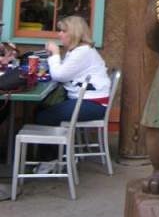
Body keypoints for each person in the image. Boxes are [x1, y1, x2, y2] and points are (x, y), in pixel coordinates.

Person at [34, 15, 110, 172]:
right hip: (86, 100)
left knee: (44, 116)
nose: (59, 34)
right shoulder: (78, 51)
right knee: (41, 109)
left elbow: (59, 75)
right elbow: (64, 73)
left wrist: (55, 54)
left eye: (63, 31)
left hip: (94, 104)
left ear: (74, 33)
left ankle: (54, 159)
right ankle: (55, 154)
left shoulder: (83, 52)